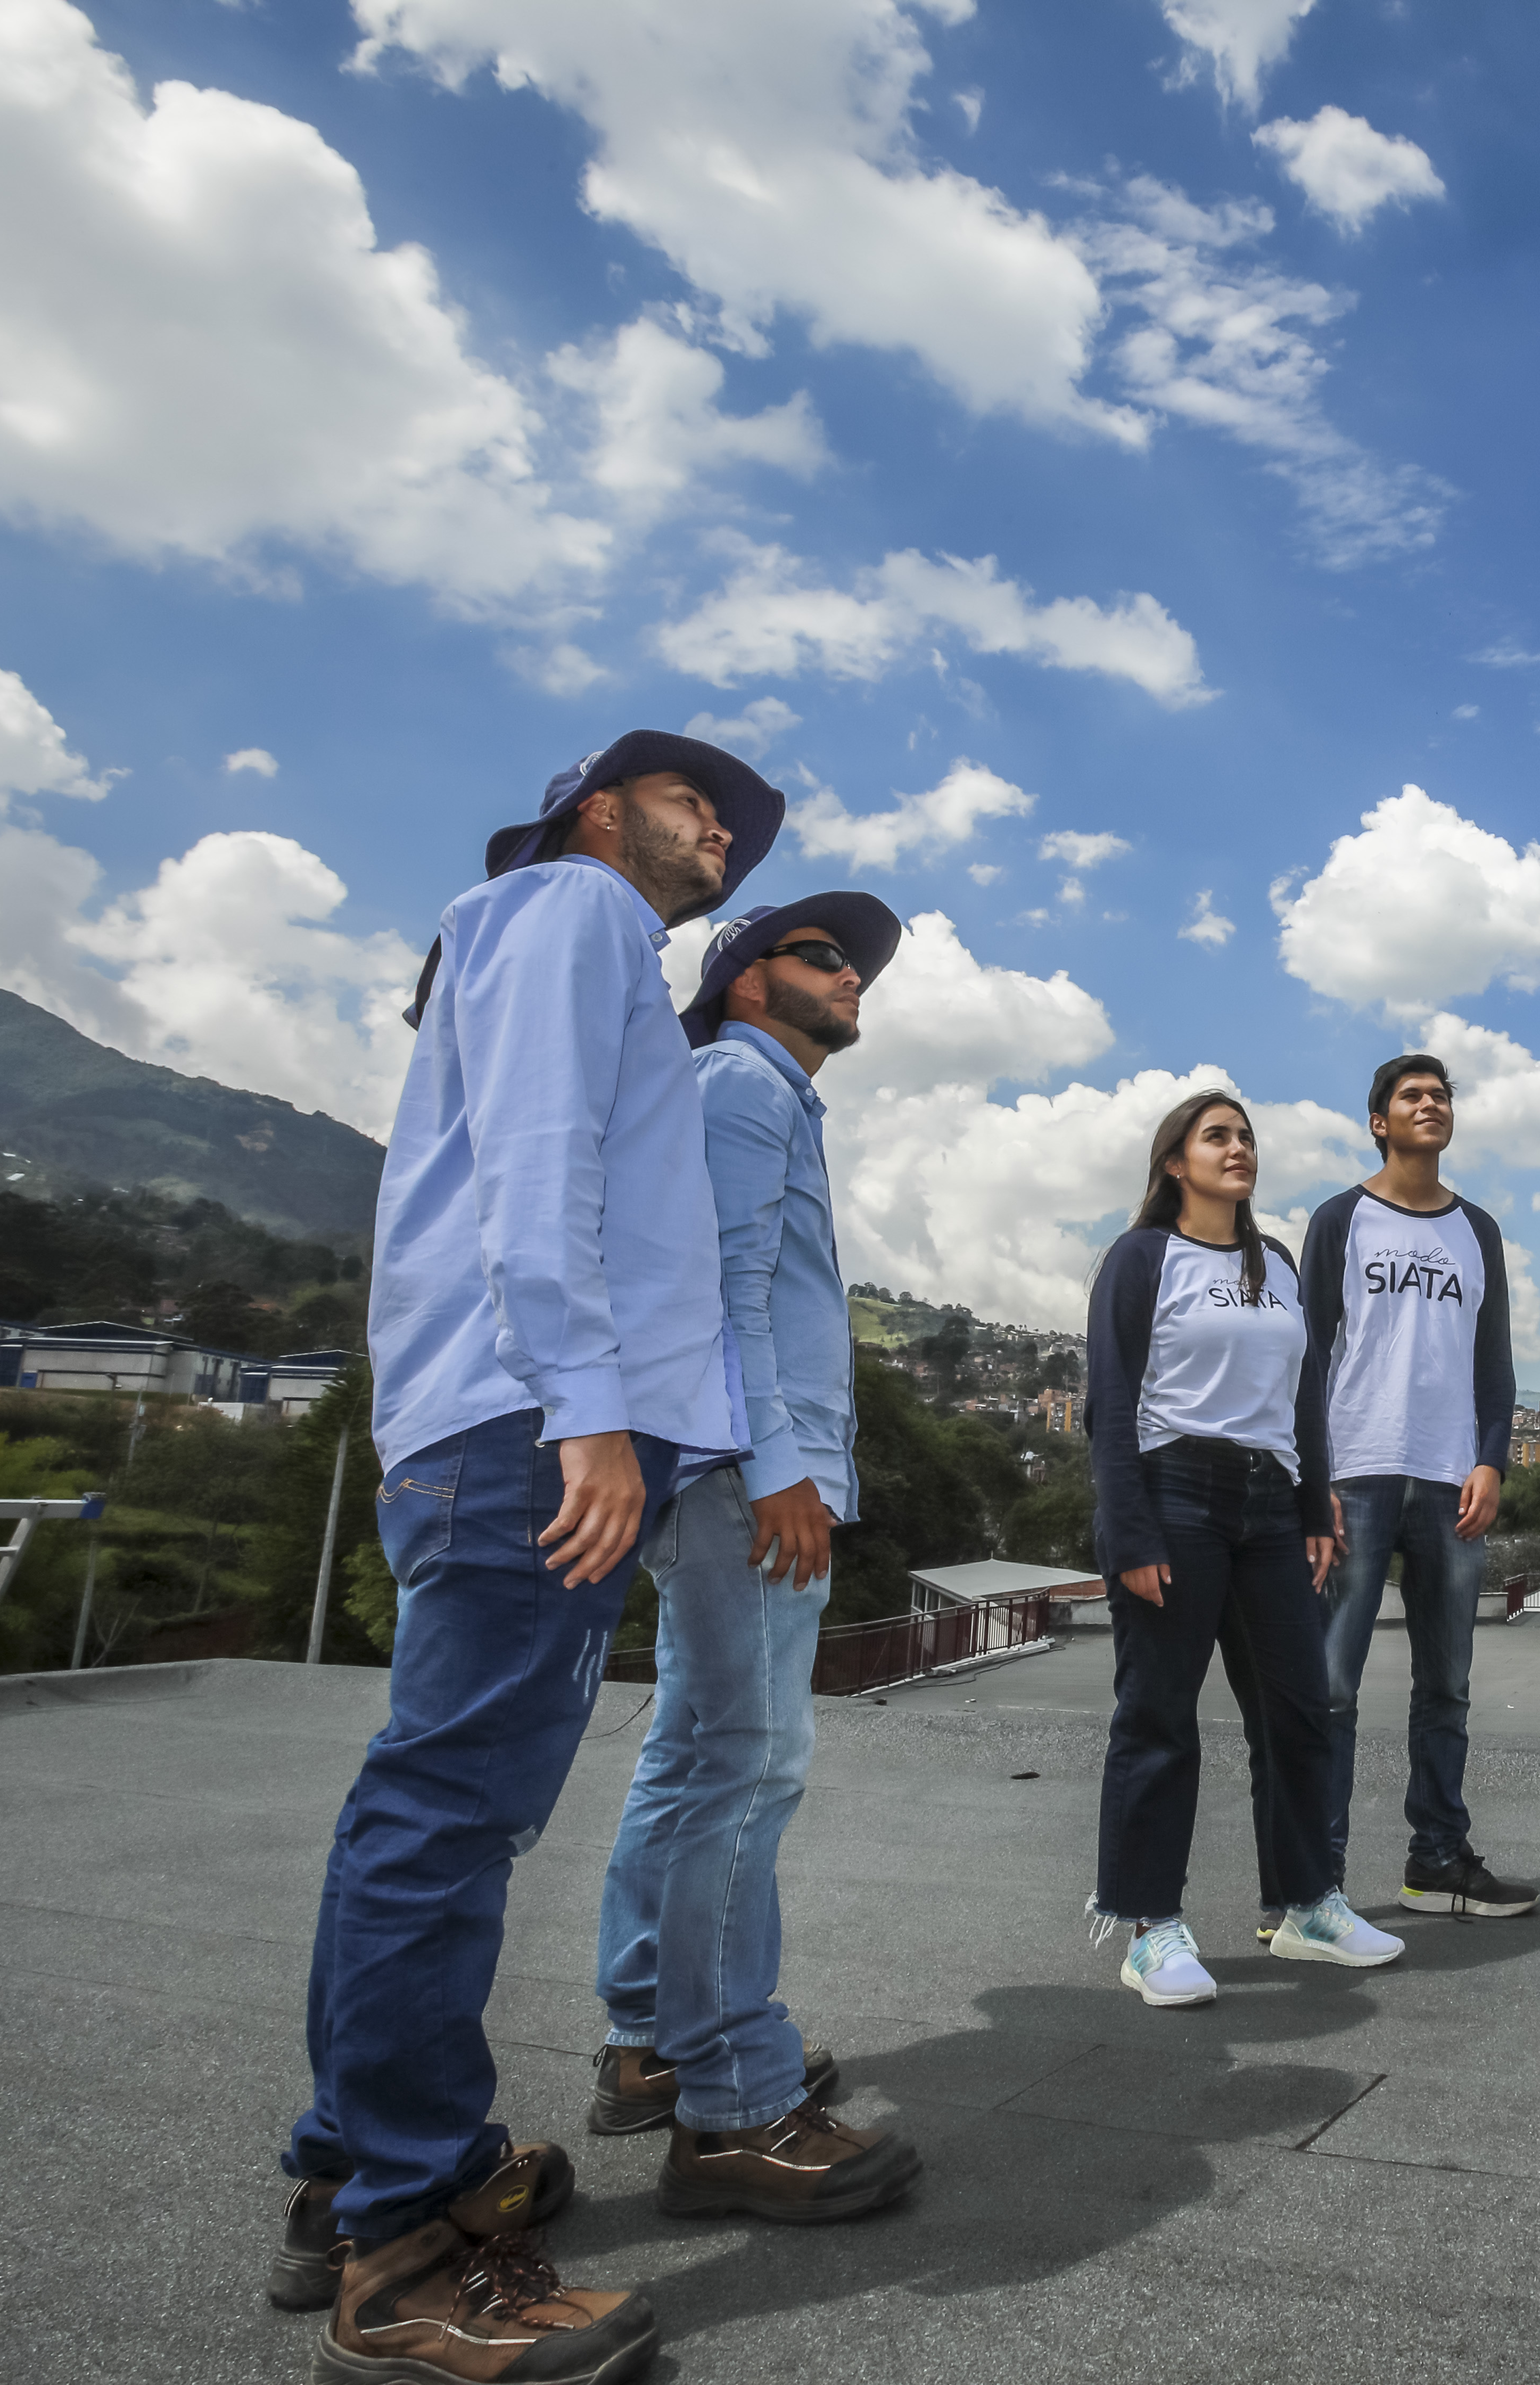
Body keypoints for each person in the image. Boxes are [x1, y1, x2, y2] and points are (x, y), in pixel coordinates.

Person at [273, 731, 779, 2385]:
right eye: (691, 797)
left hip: (482, 1419)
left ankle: (362, 2161)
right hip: (523, 1422)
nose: (721, 826)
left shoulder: (538, 934)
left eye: (732, 819)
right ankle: (409, 2247)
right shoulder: (573, 911)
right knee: (454, 1819)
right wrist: (591, 1410)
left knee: (423, 1806)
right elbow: (544, 1168)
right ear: (593, 809)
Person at [587, 891, 919, 2225]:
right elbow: (720, 1288)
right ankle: (731, 2095)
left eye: (858, 965)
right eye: (826, 956)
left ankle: (652, 2036)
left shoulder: (756, 1088)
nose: (855, 979)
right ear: (744, 978)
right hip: (746, 1475)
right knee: (750, 1760)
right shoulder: (740, 1082)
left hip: (731, 1468)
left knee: (691, 1747)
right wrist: (783, 1466)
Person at [1084, 1089, 1403, 2005]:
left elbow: (1303, 1397)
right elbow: (1112, 1404)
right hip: (1175, 1494)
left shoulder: (1277, 1265)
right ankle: (1150, 1928)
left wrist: (1315, 1507)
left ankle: (1308, 1906)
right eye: (1216, 1136)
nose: (1239, 1148)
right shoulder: (1142, 1258)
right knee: (1159, 1717)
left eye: (1246, 1136)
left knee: (1301, 1711)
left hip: (1271, 1506)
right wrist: (1130, 1530)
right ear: (1174, 1163)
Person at [1297, 1054, 1538, 1923]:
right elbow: (1309, 1355)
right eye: (1412, 1096)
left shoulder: (1479, 1230)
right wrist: (1312, 1476)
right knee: (1329, 1690)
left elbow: (1495, 1362)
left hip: (1451, 1484)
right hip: (1355, 1477)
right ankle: (1313, 1884)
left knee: (1448, 1689)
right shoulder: (1340, 1221)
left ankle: (1435, 1862)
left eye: (1441, 1095)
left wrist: (1490, 1460)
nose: (1431, 1104)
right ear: (1379, 1122)